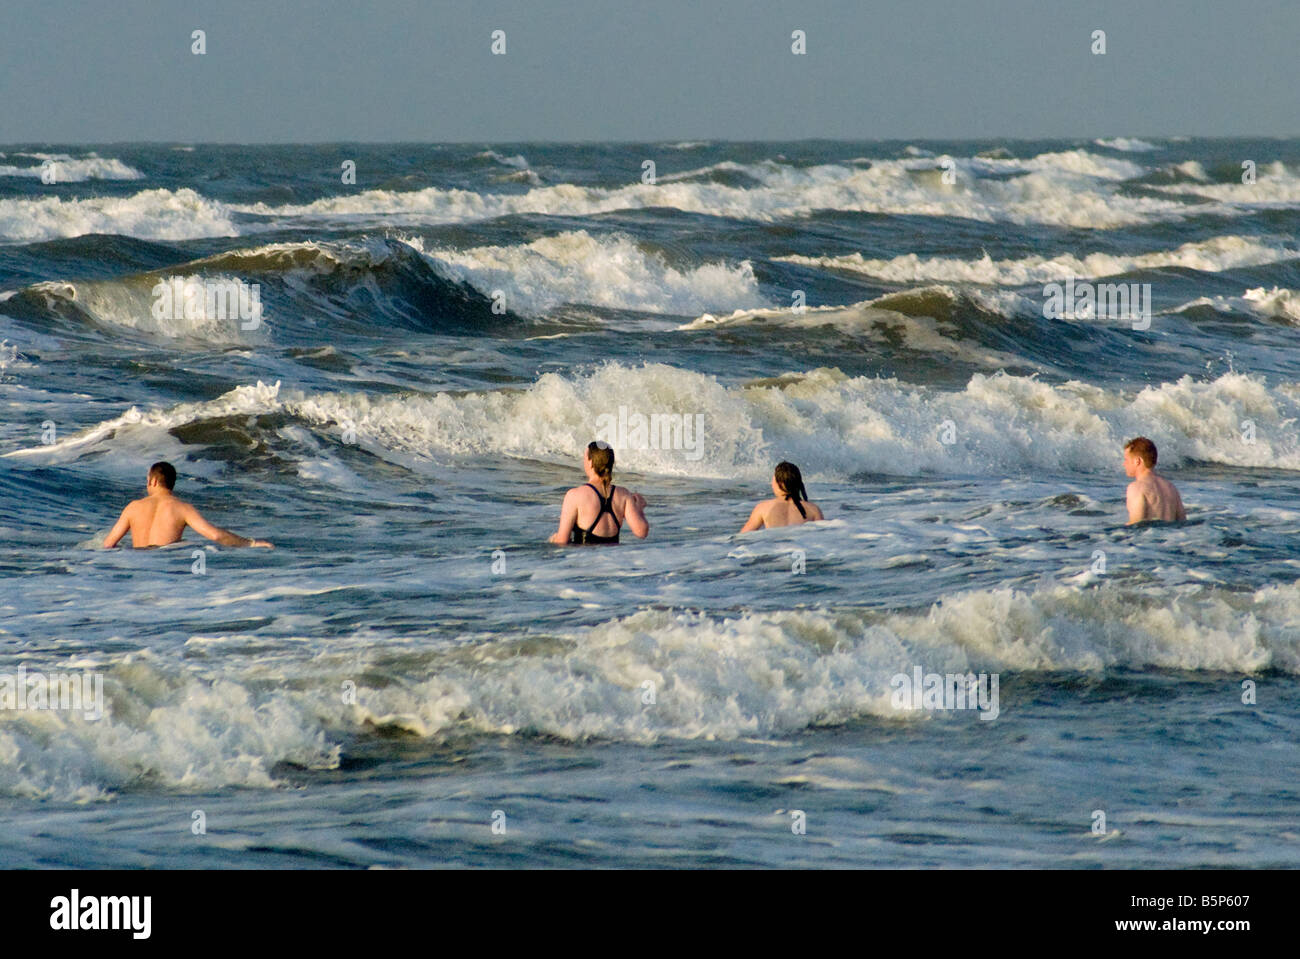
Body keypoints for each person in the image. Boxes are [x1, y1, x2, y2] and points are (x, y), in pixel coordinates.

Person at [103, 462, 273, 548]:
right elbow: (215, 536)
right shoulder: (182, 508)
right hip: (164, 566)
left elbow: (109, 544)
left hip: (138, 565)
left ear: (153, 481)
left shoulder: (133, 507)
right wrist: (250, 543)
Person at [549, 441, 649, 545]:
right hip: (612, 558)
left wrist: (553, 539)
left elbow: (562, 541)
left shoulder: (575, 495)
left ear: (590, 462)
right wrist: (639, 510)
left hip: (585, 558)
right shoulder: (623, 494)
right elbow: (641, 532)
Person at [740, 461, 824, 532]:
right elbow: (823, 538)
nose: (771, 485)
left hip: (775, 550)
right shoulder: (813, 509)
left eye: (773, 481)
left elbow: (743, 537)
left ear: (779, 484)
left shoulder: (763, 508)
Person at [1122, 437, 1186, 524]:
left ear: (1137, 461)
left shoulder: (1136, 488)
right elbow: (1182, 522)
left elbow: (1136, 526)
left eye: (1126, 459)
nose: (1124, 464)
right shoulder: (1171, 487)